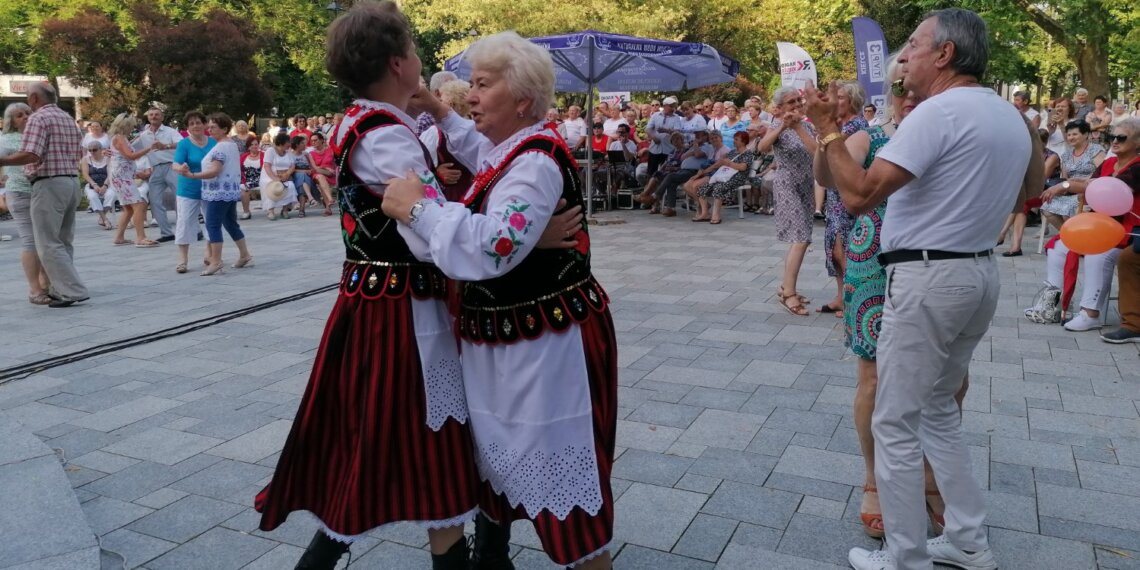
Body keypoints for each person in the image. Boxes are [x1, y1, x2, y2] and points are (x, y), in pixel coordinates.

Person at [805, 8, 1036, 570]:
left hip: (929, 274)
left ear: (945, 55)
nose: (902, 56)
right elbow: (1028, 190)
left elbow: (858, 195)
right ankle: (966, 540)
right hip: (977, 271)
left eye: (913, 44)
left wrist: (828, 129)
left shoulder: (936, 114)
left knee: (896, 418)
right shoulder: (1007, 114)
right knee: (937, 409)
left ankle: (906, 556)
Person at [383, 29, 618, 570]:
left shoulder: (534, 161)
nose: (471, 96)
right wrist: (438, 112)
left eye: (482, 85)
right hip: (515, 341)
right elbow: (475, 146)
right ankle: (498, 556)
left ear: (521, 100)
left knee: (558, 468)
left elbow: (496, 245)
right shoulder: (512, 146)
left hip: (545, 348)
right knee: (511, 461)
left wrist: (416, 210)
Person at [253, 5, 479, 568]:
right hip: (403, 312)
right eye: (414, 50)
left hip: (383, 301)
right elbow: (434, 238)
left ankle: (332, 551)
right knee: (420, 440)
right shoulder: (387, 139)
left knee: (375, 435)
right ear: (401, 63)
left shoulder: (369, 122)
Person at [813, 55, 978, 545]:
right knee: (875, 374)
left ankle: (928, 477)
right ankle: (874, 479)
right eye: (899, 88)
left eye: (914, 86)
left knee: (951, 379)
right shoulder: (876, 136)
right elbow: (826, 179)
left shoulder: (952, 131)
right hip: (874, 260)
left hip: (937, 264)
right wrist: (831, 133)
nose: (908, 95)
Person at [0, 83, 88, 307]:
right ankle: (59, 288)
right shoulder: (67, 118)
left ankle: (71, 290)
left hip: (48, 183)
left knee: (47, 242)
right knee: (63, 240)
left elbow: (31, 154)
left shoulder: (39, 118)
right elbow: (80, 152)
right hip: (70, 181)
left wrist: (4, 161)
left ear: (34, 98)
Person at [757, 86, 816, 316]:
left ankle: (786, 286)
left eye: (798, 101)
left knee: (801, 238)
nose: (796, 105)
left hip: (806, 186)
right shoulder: (776, 126)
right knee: (801, 238)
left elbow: (815, 152)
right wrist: (783, 124)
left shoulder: (808, 125)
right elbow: (762, 148)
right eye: (791, 102)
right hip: (787, 184)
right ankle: (789, 293)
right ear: (780, 107)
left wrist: (799, 125)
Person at [180, 112, 253, 275]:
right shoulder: (231, 144)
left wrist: (192, 175)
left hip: (218, 192)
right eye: (210, 126)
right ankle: (244, 254)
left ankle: (216, 260)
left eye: (214, 127)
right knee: (230, 223)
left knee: (212, 224)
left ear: (224, 128)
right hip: (229, 190)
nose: (209, 129)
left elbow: (214, 171)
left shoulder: (221, 147)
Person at [820, 81, 870, 316]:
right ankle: (841, 297)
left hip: (847, 198)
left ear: (853, 101)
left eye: (840, 97)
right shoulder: (841, 126)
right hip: (835, 197)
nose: (834, 101)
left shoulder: (855, 128)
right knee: (835, 248)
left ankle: (852, 299)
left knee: (844, 250)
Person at [1, 102, 53, 305]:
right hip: (20, 192)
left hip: (42, 190)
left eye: (28, 113)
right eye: (19, 115)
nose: (25, 117)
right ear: (11, 121)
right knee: (30, 240)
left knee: (45, 239)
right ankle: (34, 289)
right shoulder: (6, 139)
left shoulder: (38, 135)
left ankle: (46, 283)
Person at [1099, 118, 1140, 343]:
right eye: (1111, 137)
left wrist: (1065, 185)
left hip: (1128, 231)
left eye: (1121, 137)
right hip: (1124, 229)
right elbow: (1093, 184)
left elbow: (1111, 190)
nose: (1114, 141)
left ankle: (1133, 324)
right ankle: (1089, 311)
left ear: (1137, 142)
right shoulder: (1109, 163)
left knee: (1129, 257)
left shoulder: (1138, 167)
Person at [1040, 119, 1105, 229]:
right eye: (1069, 135)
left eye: (1075, 134)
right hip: (1070, 190)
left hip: (1089, 189)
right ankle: (1067, 234)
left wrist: (1083, 179)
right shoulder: (1067, 155)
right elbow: (1065, 178)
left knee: (1069, 209)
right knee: (1046, 205)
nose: (1071, 137)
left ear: (1086, 135)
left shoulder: (1095, 150)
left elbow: (1103, 173)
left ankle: (1074, 235)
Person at [171, 111, 215, 272]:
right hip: (188, 188)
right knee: (184, 222)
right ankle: (183, 259)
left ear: (205, 124)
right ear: (187, 128)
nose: (195, 126)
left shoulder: (213, 142)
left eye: (198, 122)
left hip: (210, 188)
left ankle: (209, 253)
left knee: (212, 221)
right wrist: (181, 168)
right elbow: (175, 164)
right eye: (191, 124)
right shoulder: (184, 144)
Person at [108, 113, 157, 247]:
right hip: (122, 177)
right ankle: (140, 237)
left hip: (123, 176)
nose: (132, 128)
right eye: (131, 126)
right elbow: (130, 156)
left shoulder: (120, 138)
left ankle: (119, 237)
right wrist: (148, 148)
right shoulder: (119, 138)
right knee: (139, 204)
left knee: (129, 208)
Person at [134, 106, 182, 242]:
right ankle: (166, 233)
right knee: (155, 201)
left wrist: (166, 146)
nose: (154, 117)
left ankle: (193, 230)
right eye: (151, 115)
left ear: (162, 117)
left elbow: (183, 143)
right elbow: (130, 148)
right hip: (155, 169)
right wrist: (110, 151)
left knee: (181, 199)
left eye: (157, 114)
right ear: (148, 117)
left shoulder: (170, 131)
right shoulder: (144, 135)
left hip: (172, 165)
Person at [690, 130, 755, 224]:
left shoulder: (748, 153)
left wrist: (729, 163)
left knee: (718, 188)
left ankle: (716, 215)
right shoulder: (732, 152)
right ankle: (705, 214)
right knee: (702, 188)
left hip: (738, 177)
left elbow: (742, 167)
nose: (734, 141)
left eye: (736, 139)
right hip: (725, 177)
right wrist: (703, 172)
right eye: (734, 139)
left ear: (743, 141)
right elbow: (718, 164)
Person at [260, 133, 299, 219]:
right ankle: (270, 210)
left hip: (285, 176)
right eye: (288, 142)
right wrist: (275, 178)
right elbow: (267, 166)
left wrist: (287, 174)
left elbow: (292, 166)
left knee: (290, 185)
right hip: (270, 176)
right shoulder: (270, 151)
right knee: (271, 185)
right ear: (281, 142)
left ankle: (285, 210)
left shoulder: (289, 152)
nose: (290, 144)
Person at [645, 96, 682, 179]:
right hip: (654, 149)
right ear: (665, 106)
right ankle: (648, 190)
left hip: (668, 149)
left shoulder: (676, 117)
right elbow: (648, 129)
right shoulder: (655, 115)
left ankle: (660, 191)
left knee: (664, 173)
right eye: (671, 106)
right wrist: (653, 137)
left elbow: (677, 132)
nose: (673, 109)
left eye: (674, 107)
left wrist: (666, 130)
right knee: (650, 172)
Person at [81, 142, 115, 230]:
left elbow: (110, 174)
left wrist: (105, 185)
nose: (92, 152)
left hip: (107, 184)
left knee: (111, 194)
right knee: (92, 196)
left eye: (94, 150)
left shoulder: (108, 159)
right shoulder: (85, 159)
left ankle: (102, 217)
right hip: (92, 185)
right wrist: (94, 185)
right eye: (90, 150)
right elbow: (85, 174)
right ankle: (105, 220)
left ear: (101, 150)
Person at [307, 131, 337, 215]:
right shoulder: (311, 154)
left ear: (321, 140)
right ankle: (330, 201)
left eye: (315, 140)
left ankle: (328, 207)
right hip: (317, 174)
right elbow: (315, 168)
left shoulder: (330, 151)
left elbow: (336, 163)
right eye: (312, 141)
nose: (313, 142)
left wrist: (332, 169)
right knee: (320, 177)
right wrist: (325, 168)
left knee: (322, 182)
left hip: (331, 174)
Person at [239, 140, 263, 219]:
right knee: (243, 187)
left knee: (246, 186)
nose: (254, 146)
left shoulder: (264, 155)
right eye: (251, 144)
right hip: (246, 179)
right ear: (248, 147)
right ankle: (246, 212)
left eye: (256, 144)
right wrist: (243, 180)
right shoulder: (243, 156)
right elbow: (240, 170)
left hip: (261, 178)